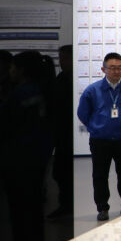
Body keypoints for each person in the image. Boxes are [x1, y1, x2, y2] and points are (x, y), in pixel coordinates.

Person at [78, 52, 121, 221]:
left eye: (119, 68)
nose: (116, 71)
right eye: (112, 68)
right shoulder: (92, 90)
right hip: (100, 140)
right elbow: (83, 113)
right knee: (100, 175)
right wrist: (96, 127)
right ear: (103, 69)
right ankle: (102, 208)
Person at [2, 51, 53, 241]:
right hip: (34, 157)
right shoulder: (39, 90)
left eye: (12, 67)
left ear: (21, 70)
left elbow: (7, 125)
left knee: (22, 212)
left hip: (21, 159)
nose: (10, 71)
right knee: (32, 209)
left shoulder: (22, 93)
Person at [47, 44, 74, 218]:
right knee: (60, 172)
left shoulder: (74, 81)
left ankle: (69, 205)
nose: (62, 62)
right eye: (60, 59)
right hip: (62, 134)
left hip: (71, 133)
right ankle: (65, 205)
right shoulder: (61, 79)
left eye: (65, 58)